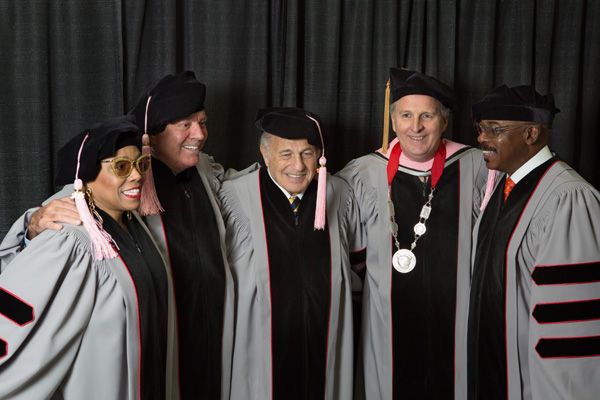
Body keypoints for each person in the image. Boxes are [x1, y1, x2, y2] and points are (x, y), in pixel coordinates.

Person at [1, 71, 234, 400]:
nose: (199, 133)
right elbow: (24, 287)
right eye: (184, 124)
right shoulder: (81, 215)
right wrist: (31, 226)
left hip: (188, 360)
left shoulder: (203, 174)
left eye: (202, 121)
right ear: (152, 134)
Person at [337, 68, 490, 399]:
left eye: (427, 116)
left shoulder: (477, 167)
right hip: (385, 326)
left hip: (457, 323)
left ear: (444, 122)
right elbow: (343, 251)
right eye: (406, 115)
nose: (415, 126)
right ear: (393, 122)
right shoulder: (364, 172)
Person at [0, 116, 178, 399]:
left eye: (141, 164)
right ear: (85, 177)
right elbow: (12, 309)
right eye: (121, 167)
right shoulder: (70, 240)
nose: (137, 176)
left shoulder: (134, 224)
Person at [219, 107, 364, 400]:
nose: (297, 165)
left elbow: (359, 266)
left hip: (325, 343)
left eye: (308, 153)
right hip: (259, 348)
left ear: (320, 156)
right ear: (264, 154)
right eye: (286, 154)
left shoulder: (340, 194)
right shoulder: (235, 197)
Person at [467, 85, 600, 400]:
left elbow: (569, 329)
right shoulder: (503, 188)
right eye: (480, 129)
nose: (481, 138)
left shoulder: (568, 200)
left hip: (534, 386)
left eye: (494, 130)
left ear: (532, 134)